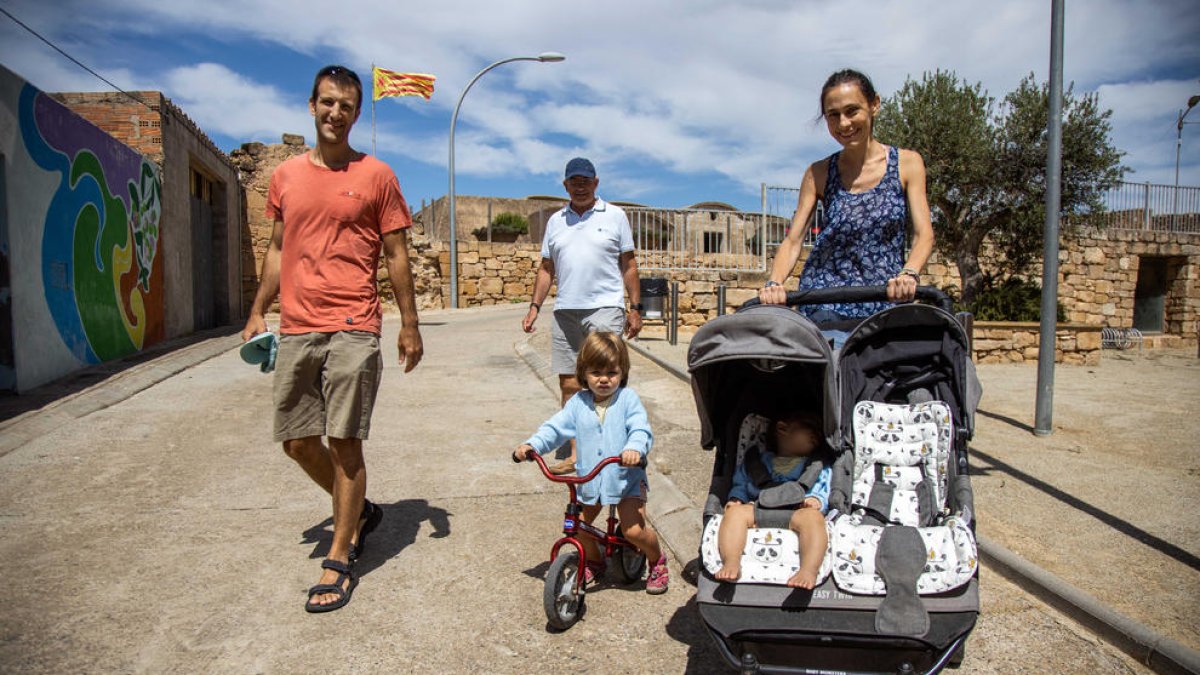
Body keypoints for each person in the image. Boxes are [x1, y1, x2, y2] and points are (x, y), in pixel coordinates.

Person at [241, 64, 424, 613]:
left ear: (356, 113)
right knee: (297, 442)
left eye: (346, 105)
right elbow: (277, 248)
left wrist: (409, 324)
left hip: (354, 324)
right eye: (327, 102)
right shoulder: (286, 178)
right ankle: (361, 511)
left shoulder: (378, 176)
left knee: (345, 441)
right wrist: (257, 311)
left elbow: (395, 255)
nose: (335, 113)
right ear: (312, 104)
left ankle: (340, 554)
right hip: (297, 324)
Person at [759, 69, 935, 347]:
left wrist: (909, 272)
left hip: (883, 298)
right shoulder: (818, 173)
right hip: (826, 300)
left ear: (874, 105)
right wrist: (774, 283)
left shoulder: (907, 164)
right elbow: (793, 240)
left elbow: (923, 234)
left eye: (852, 111)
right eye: (833, 115)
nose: (844, 123)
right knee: (835, 374)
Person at [512, 332, 669, 594]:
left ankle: (656, 560)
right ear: (584, 373)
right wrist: (532, 445)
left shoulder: (627, 399)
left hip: (626, 478)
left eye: (612, 372)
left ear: (623, 371)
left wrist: (634, 448)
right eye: (596, 372)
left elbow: (640, 429)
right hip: (590, 480)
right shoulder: (577, 404)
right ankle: (595, 561)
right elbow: (555, 428)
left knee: (633, 531)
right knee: (578, 526)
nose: (604, 379)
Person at [522, 157, 643, 475]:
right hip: (566, 311)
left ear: (596, 183)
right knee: (569, 383)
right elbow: (546, 269)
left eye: (585, 180)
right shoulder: (555, 221)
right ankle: (578, 453)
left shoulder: (615, 215)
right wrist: (534, 306)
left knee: (607, 378)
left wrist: (636, 308)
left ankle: (613, 450)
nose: (580, 185)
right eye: (574, 181)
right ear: (565, 185)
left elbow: (629, 265)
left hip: (605, 307)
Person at [714, 412, 832, 589]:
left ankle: (808, 570)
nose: (817, 433)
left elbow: (823, 486)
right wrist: (736, 498)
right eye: (810, 427)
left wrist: (816, 499)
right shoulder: (757, 461)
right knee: (734, 514)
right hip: (759, 507)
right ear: (782, 428)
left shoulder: (815, 465)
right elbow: (742, 482)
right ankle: (731, 561)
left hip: (797, 511)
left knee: (814, 519)